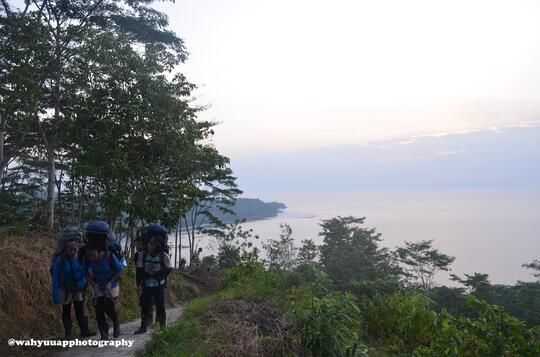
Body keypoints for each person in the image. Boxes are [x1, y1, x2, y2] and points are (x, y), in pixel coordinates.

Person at [51, 237, 96, 339]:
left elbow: (86, 272)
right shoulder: (60, 260)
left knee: (79, 310)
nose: (72, 252)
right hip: (65, 289)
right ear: (66, 249)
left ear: (77, 248)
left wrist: (83, 283)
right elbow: (56, 276)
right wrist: (56, 294)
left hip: (78, 289)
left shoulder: (80, 258)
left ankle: (85, 331)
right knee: (66, 311)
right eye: (70, 249)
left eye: (74, 249)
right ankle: (68, 334)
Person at [134, 228, 172, 334]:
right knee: (145, 306)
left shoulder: (163, 256)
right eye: (149, 243)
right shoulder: (142, 255)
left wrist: (158, 272)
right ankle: (143, 326)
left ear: (158, 246)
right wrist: (140, 282)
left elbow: (168, 269)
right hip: (146, 284)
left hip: (158, 284)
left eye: (152, 244)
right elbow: (139, 270)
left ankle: (163, 326)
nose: (149, 246)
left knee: (160, 306)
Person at [84, 242, 123, 340]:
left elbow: (119, 270)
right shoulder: (87, 259)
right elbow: (85, 272)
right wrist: (93, 283)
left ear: (99, 251)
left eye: (93, 255)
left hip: (112, 286)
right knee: (99, 311)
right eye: (89, 255)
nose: (91, 257)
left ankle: (116, 322)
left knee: (109, 307)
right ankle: (104, 336)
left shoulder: (109, 256)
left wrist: (110, 282)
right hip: (97, 286)